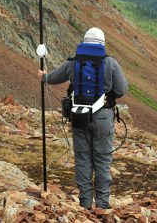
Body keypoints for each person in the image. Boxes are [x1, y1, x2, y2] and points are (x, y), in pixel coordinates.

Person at [39, 27, 129, 209]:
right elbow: (121, 90)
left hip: (79, 116)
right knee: (102, 160)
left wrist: (43, 76)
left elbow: (53, 78)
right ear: (102, 43)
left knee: (82, 158)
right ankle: (102, 205)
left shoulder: (73, 62)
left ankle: (85, 204)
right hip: (103, 118)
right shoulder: (111, 63)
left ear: (84, 42)